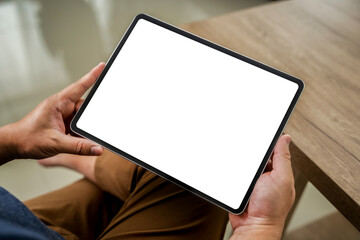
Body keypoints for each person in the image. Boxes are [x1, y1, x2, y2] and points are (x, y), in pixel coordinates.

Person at [0, 63, 295, 240]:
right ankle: (83, 158)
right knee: (201, 176)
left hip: (15, 221)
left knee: (173, 167)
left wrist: (14, 140)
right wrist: (259, 227)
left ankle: (83, 159)